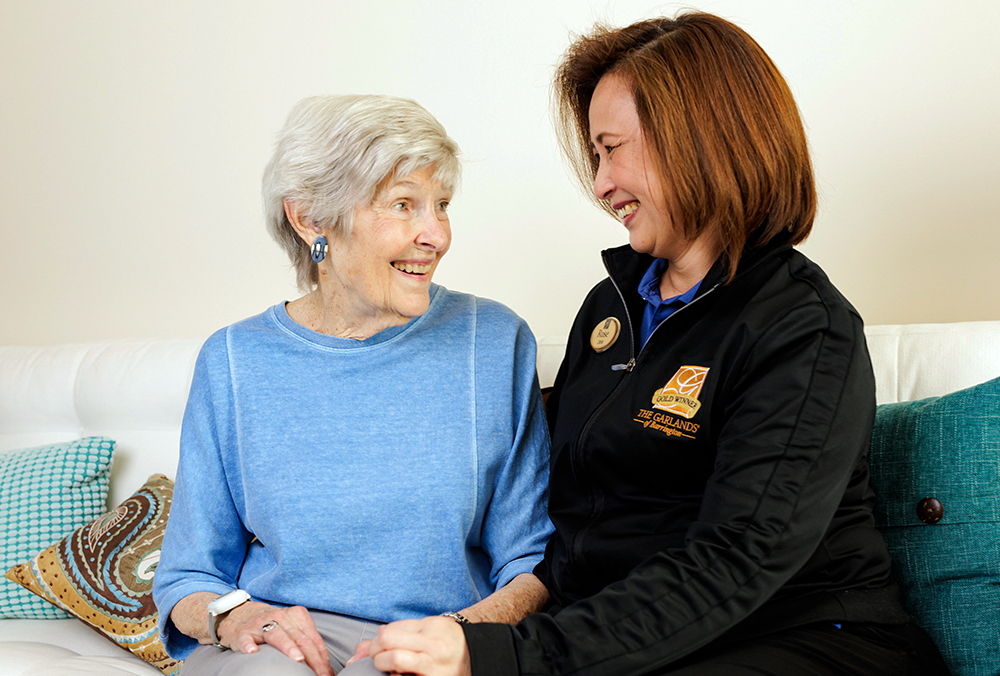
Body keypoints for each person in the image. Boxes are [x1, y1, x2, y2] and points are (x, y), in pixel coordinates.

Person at [358, 13, 952, 676]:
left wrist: (510, 657)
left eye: (612, 149)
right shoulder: (607, 312)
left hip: (812, 636)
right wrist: (469, 627)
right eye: (596, 156)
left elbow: (737, 559)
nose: (600, 184)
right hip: (642, 639)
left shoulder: (802, 326)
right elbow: (571, 535)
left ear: (700, 139)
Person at [152, 94, 553, 676]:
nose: (436, 235)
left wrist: (460, 635)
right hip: (281, 638)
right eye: (403, 205)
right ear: (310, 217)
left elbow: (532, 562)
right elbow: (188, 577)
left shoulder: (491, 341)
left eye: (441, 205)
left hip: (434, 635)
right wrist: (237, 617)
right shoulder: (234, 360)